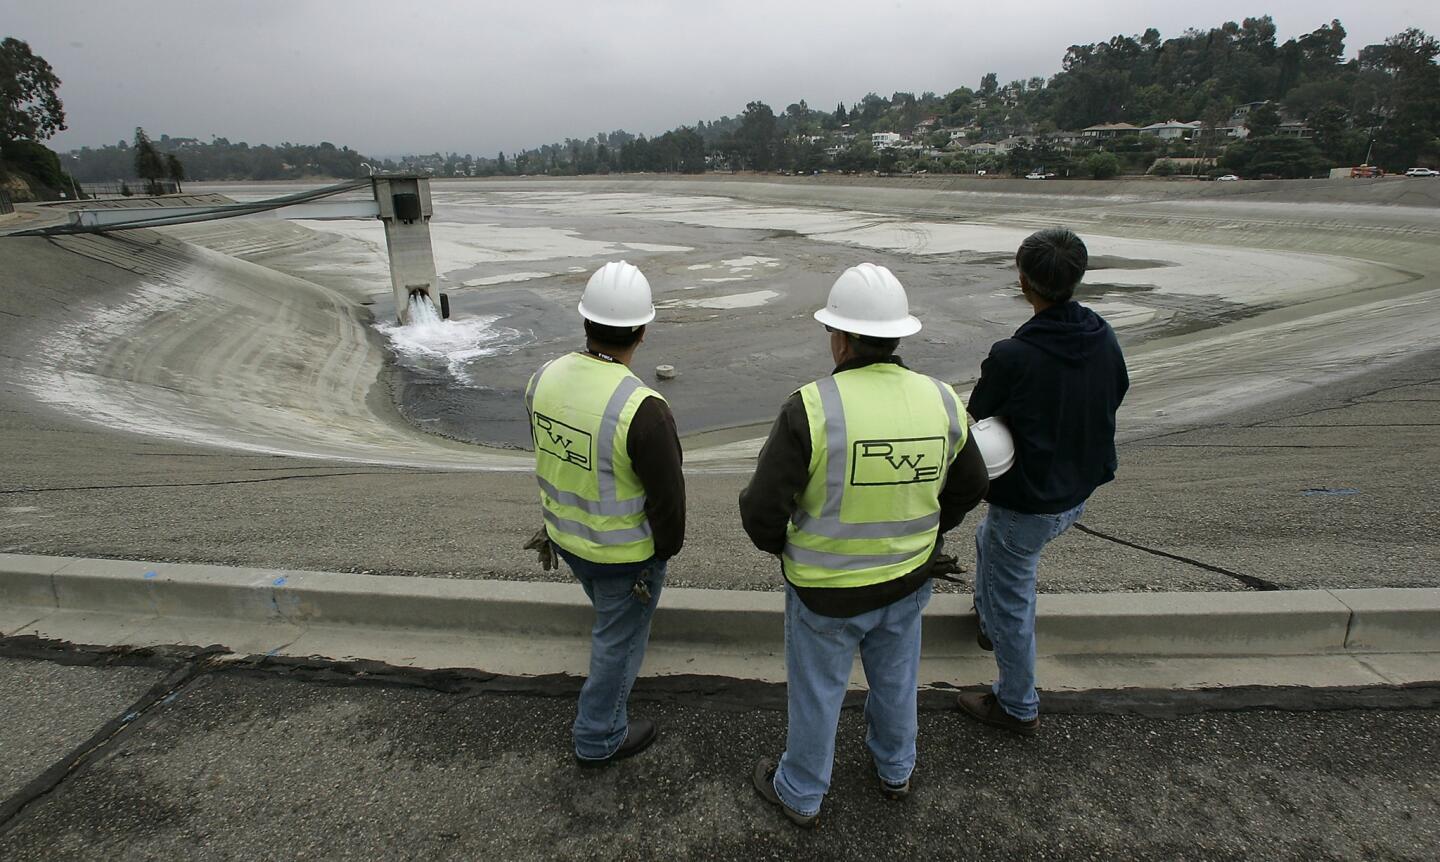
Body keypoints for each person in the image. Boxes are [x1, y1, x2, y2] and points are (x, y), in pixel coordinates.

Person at [740, 263, 989, 827]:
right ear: (898, 334)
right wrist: (927, 530)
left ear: (841, 338)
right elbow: (973, 482)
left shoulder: (811, 407)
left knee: (817, 695)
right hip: (906, 581)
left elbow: (761, 511)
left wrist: (789, 546)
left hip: (825, 592)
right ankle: (895, 771)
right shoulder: (944, 400)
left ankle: (801, 793)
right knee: (897, 682)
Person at [960, 227, 1129, 735]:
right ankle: (988, 625)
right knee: (989, 542)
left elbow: (979, 412)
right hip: (1077, 488)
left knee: (1014, 594)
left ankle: (1016, 704)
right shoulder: (1101, 334)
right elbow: (1117, 388)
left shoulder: (1014, 355)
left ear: (1024, 281)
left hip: (1030, 502)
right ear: (1077, 278)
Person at [523, 260, 685, 766]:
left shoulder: (542, 379)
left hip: (566, 541)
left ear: (585, 321)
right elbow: (668, 505)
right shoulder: (643, 407)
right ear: (642, 329)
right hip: (623, 556)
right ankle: (598, 736)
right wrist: (662, 555)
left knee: (610, 624)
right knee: (616, 643)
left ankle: (602, 721)